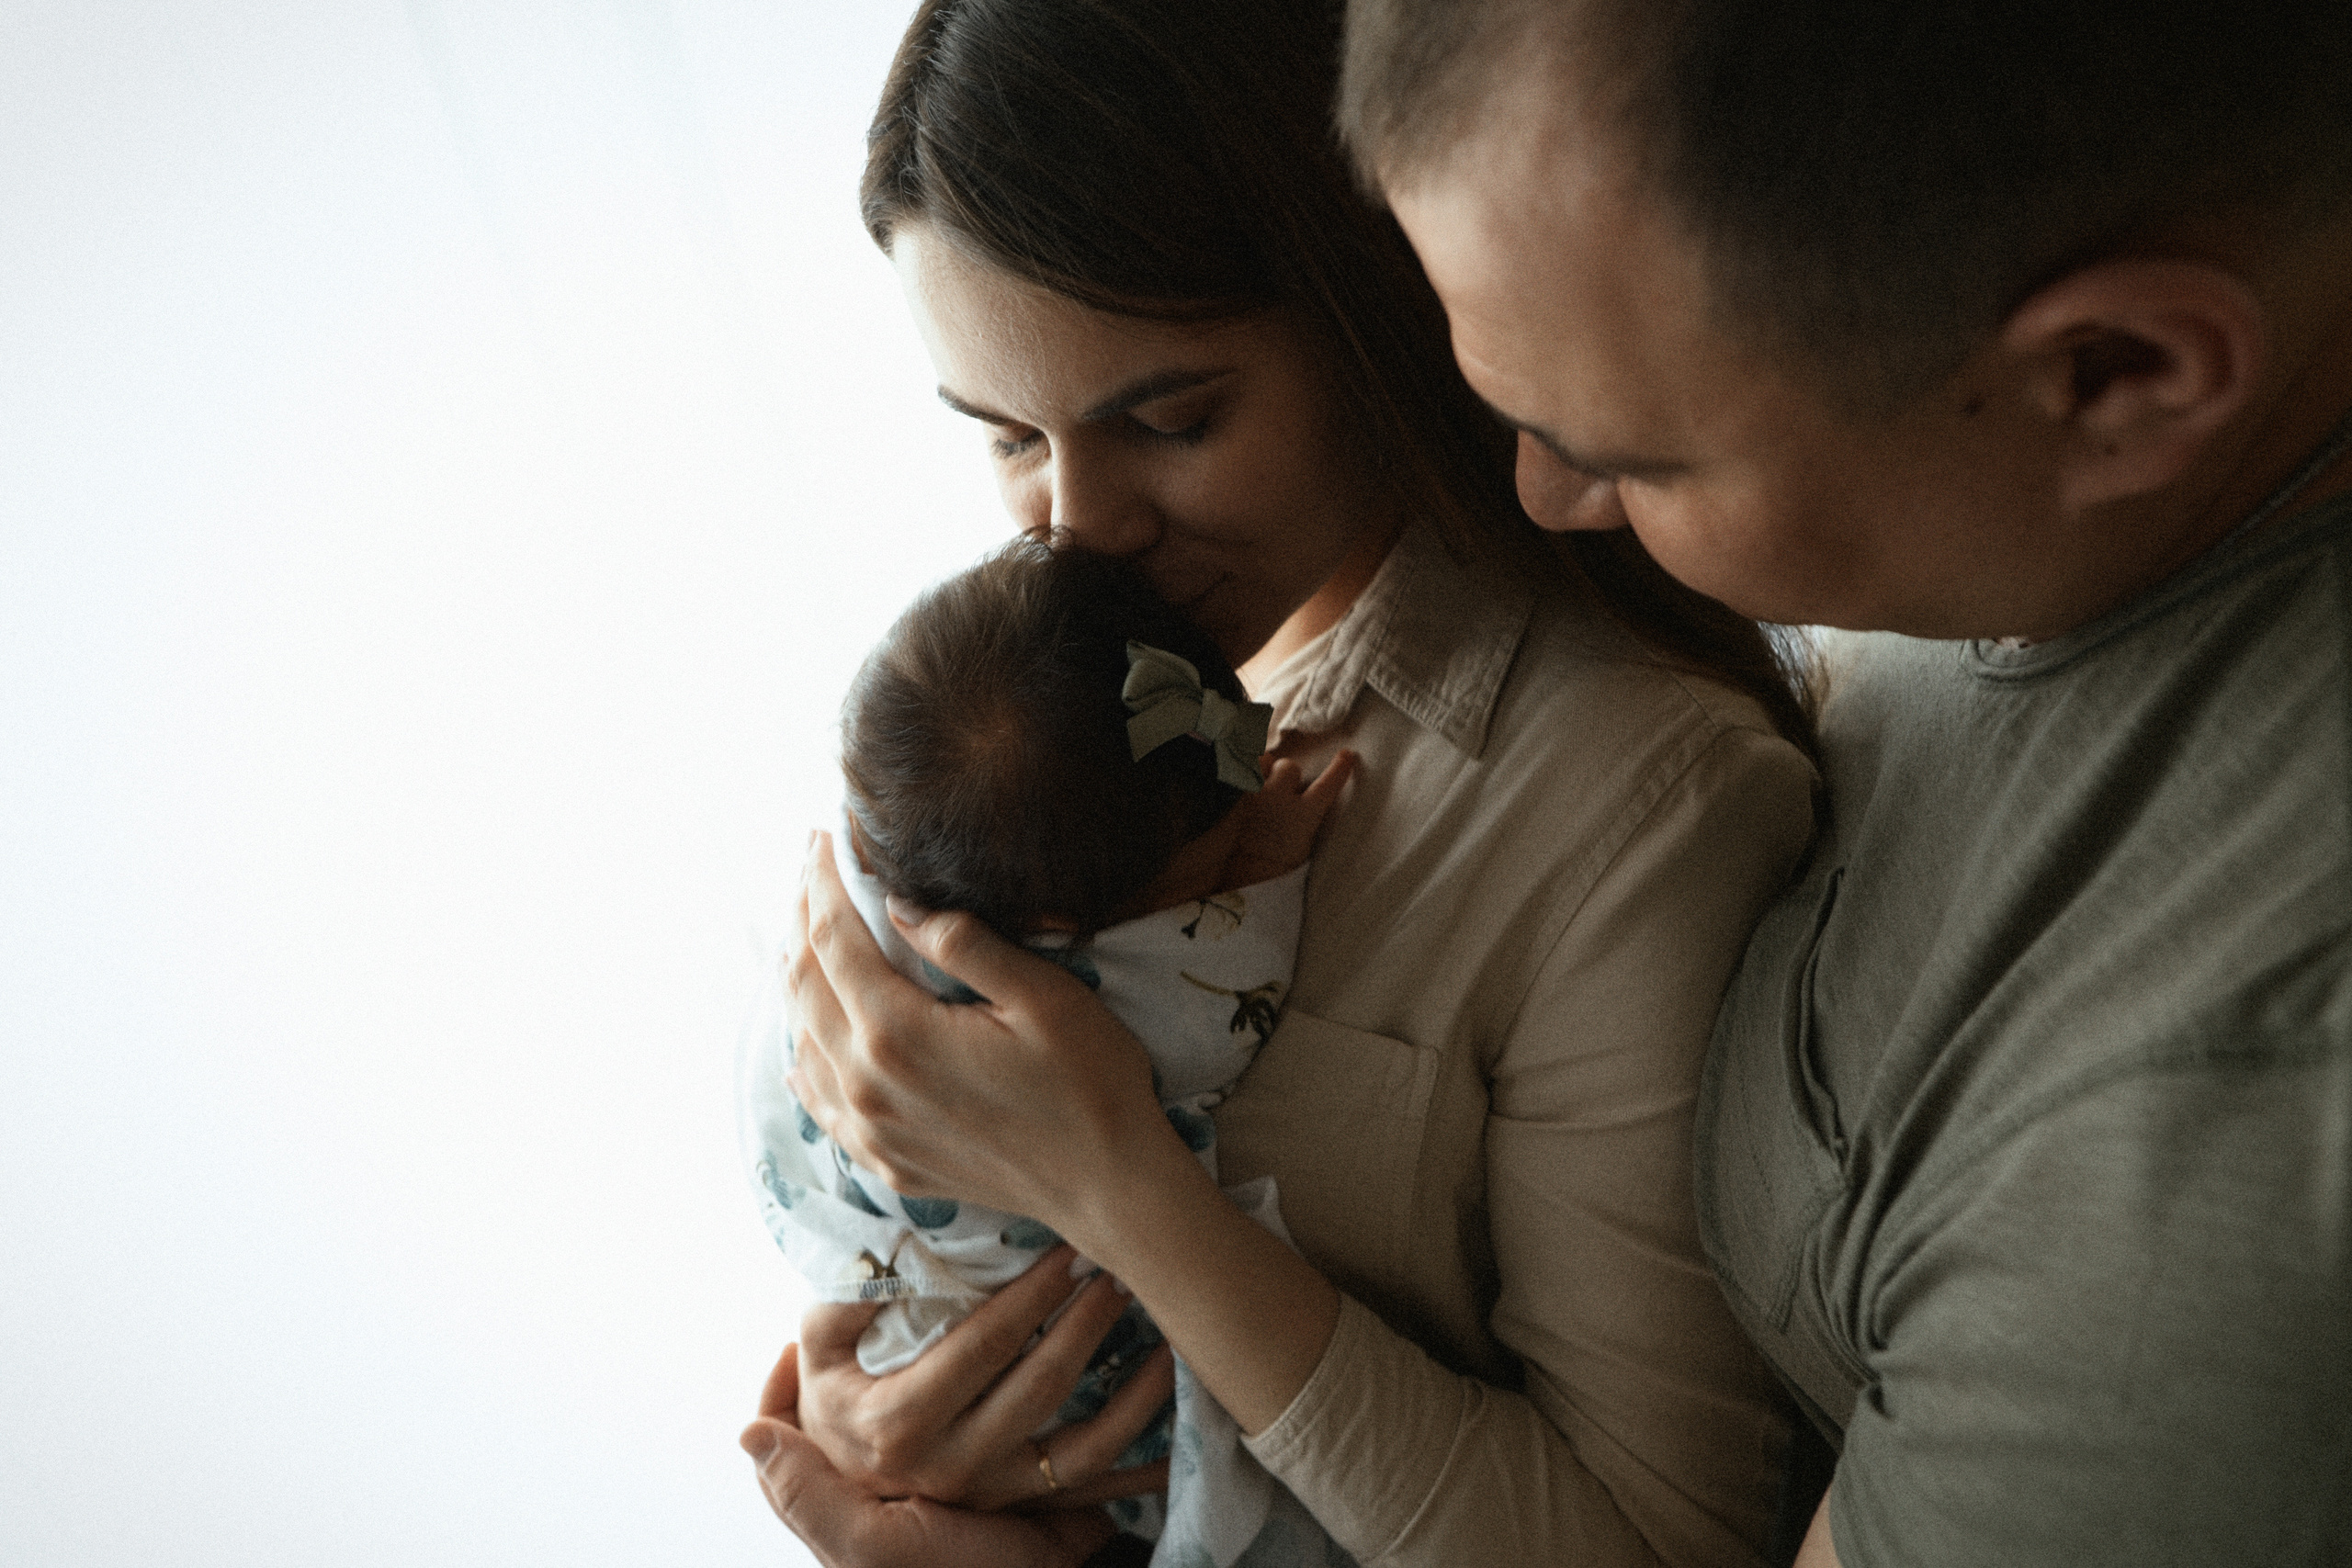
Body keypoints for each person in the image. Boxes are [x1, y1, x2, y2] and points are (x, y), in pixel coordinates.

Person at [739, 1, 1823, 1565]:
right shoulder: (1044, 706)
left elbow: (1656, 1542)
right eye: (1009, 436)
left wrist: (1119, 1186)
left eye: (1171, 419)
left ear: (1377, 303)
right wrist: (870, 1388)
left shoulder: (1633, 803)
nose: (1076, 527)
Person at [1336, 2, 2352, 1565]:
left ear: (2119, 374)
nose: (1545, 495)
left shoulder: (2201, 1183)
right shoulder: (2019, 464)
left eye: (1634, 457)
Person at [744, 537, 1354, 1565]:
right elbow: (1213, 1024)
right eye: (1211, 871)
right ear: (1063, 937)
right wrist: (1275, 867)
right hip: (1007, 1345)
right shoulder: (1069, 993)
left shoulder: (892, 851)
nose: (1253, 791)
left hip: (894, 1336)